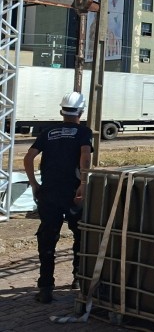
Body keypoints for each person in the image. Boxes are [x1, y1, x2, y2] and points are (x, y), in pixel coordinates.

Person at [24, 92, 93, 304]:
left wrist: (34, 184)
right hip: (73, 193)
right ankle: (78, 279)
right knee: (80, 235)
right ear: (81, 111)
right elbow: (85, 155)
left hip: (49, 193)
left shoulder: (48, 132)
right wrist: (83, 183)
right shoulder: (83, 132)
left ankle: (45, 288)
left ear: (61, 111)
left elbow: (28, 157)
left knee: (47, 238)